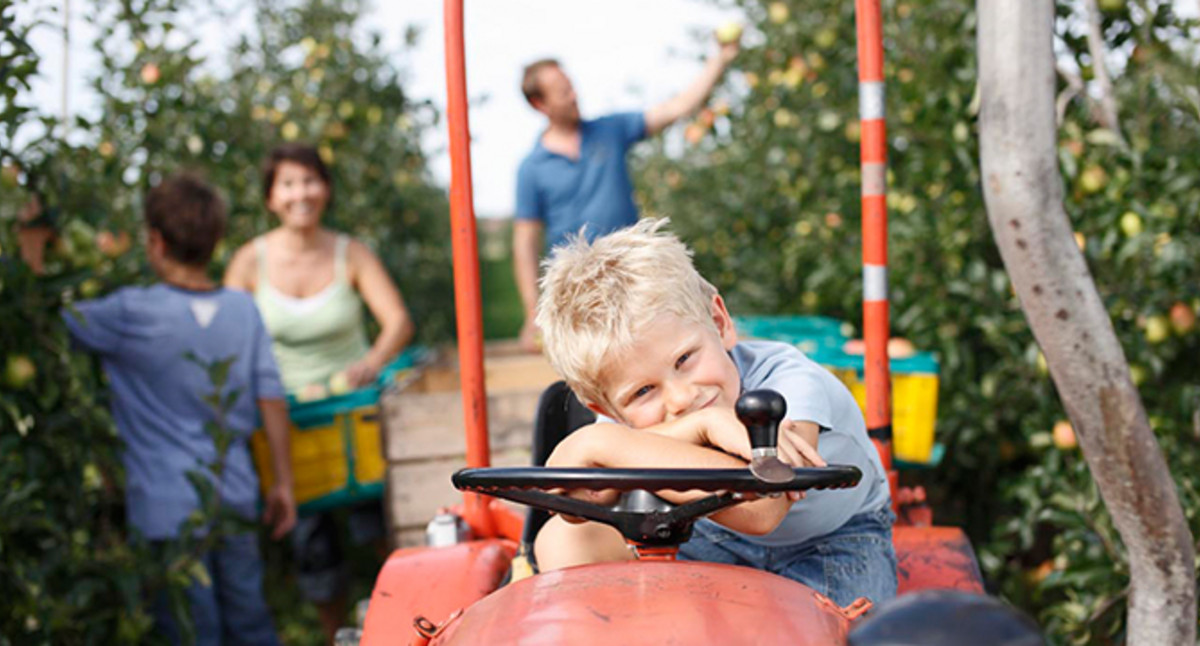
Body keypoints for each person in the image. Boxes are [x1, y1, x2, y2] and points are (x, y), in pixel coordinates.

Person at [532, 219, 898, 607]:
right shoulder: (615, 428)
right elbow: (574, 497)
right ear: (604, 409)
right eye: (643, 391)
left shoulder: (789, 381)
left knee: (828, 630)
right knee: (560, 539)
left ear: (720, 323)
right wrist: (702, 425)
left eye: (685, 359)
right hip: (701, 534)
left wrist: (604, 445)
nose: (681, 399)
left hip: (829, 540)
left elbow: (763, 509)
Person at [18, 173, 297, 645]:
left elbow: (39, 317)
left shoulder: (129, 312)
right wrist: (284, 483)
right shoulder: (242, 309)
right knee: (251, 625)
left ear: (155, 241)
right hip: (234, 498)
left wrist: (31, 244)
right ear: (215, 241)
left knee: (193, 634)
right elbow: (271, 398)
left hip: (165, 512)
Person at [224, 143, 415, 644]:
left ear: (326, 189)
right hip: (288, 421)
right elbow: (226, 342)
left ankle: (403, 623)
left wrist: (370, 363)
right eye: (288, 183)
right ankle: (336, 633)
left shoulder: (349, 252)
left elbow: (397, 321)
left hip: (352, 413)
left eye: (310, 181)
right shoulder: (250, 263)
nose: (300, 193)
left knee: (381, 529)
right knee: (314, 545)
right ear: (270, 197)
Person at [513, 31, 740, 352]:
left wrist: (720, 59)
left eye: (572, 86)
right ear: (540, 104)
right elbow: (525, 242)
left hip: (632, 274)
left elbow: (678, 107)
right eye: (563, 92)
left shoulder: (609, 131)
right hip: (578, 289)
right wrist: (531, 310)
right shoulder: (532, 168)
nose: (574, 95)